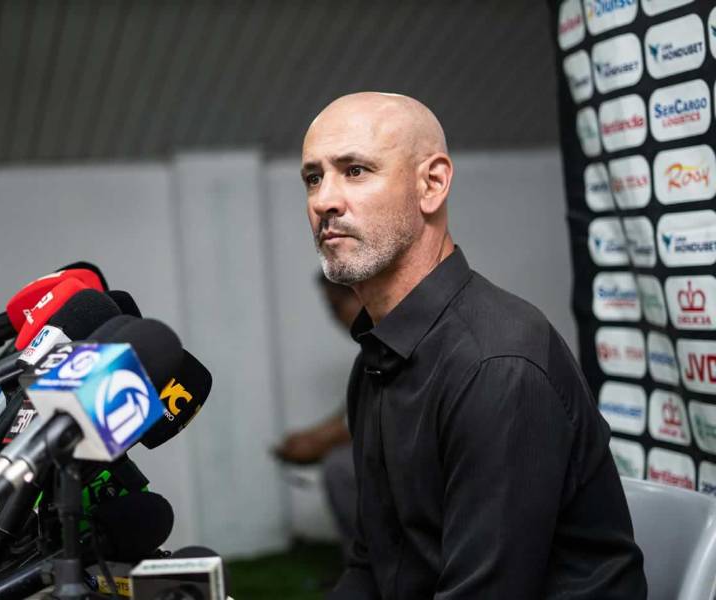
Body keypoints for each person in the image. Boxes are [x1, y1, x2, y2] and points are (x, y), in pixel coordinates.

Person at [300, 92, 647, 599]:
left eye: (355, 170)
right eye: (314, 177)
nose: (324, 200)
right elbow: (372, 567)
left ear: (432, 183)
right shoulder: (376, 357)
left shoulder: (496, 363)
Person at [274, 274, 361, 554]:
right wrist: (313, 438)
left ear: (361, 295)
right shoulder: (374, 347)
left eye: (337, 306)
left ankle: (369, 571)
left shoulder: (398, 336)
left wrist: (317, 443)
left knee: (341, 466)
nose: (334, 317)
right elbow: (355, 408)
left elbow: (373, 417)